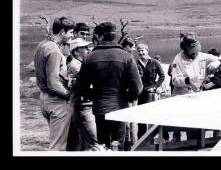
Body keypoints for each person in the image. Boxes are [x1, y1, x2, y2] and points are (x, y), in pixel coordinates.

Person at [77, 22, 143, 150]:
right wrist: (126, 97)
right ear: (114, 36)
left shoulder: (89, 58)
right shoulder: (126, 56)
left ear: (100, 37)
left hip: (100, 108)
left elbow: (81, 88)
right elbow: (138, 88)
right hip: (120, 108)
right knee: (118, 145)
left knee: (103, 146)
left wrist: (96, 96)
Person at [171, 32, 221, 141]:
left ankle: (198, 146)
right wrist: (189, 80)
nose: (195, 54)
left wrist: (218, 62)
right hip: (183, 96)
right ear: (185, 49)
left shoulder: (202, 56)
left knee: (198, 126)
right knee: (187, 127)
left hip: (197, 97)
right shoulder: (178, 59)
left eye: (196, 51)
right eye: (192, 52)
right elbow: (174, 80)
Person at [34, 17, 75, 150]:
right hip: (56, 101)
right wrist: (69, 95)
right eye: (71, 32)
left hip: (44, 98)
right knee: (58, 147)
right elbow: (53, 82)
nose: (72, 36)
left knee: (55, 142)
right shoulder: (54, 50)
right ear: (62, 32)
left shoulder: (42, 45)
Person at [67, 38, 105, 151]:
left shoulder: (81, 64)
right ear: (76, 52)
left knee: (87, 145)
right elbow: (91, 83)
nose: (88, 49)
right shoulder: (76, 65)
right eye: (84, 48)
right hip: (83, 106)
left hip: (85, 105)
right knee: (95, 144)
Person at [136, 43, 166, 139]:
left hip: (152, 92)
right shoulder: (136, 63)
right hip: (141, 93)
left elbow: (162, 75)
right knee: (141, 115)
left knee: (153, 114)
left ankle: (156, 136)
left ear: (147, 50)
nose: (141, 53)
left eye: (142, 50)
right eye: (139, 51)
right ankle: (141, 138)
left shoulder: (154, 62)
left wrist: (156, 86)